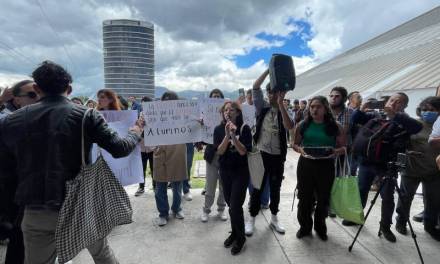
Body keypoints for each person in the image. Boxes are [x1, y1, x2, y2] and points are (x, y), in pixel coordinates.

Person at [0, 61, 143, 263]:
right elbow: (120, 148)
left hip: (35, 209)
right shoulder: (86, 116)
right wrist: (135, 132)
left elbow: (5, 171)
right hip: (79, 205)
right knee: (102, 255)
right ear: (69, 89)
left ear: (37, 88)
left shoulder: (11, 121)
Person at [351, 92, 422, 242]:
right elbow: (354, 120)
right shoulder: (376, 117)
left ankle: (385, 226)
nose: (394, 103)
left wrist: (395, 115)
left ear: (405, 106)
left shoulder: (405, 121)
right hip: (366, 162)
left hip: (387, 167)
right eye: (392, 100)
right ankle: (357, 216)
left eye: (399, 102)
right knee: (361, 191)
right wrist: (361, 108)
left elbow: (417, 128)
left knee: (387, 197)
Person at [245, 69, 295, 236]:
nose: (273, 95)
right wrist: (270, 70)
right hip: (261, 154)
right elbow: (255, 86)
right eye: (270, 92)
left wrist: (281, 104)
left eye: (276, 92)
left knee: (275, 188)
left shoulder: (284, 110)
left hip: (277, 156)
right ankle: (251, 219)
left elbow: (290, 127)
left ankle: (274, 219)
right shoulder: (262, 107)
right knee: (257, 188)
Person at [292, 96, 346, 240]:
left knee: (323, 199)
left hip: (326, 166)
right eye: (312, 107)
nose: (314, 109)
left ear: (325, 108)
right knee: (304, 198)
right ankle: (305, 227)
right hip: (306, 165)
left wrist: (335, 151)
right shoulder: (303, 125)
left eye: (318, 107)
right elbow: (294, 144)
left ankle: (320, 227)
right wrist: (300, 150)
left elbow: (344, 147)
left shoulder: (335, 126)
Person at [0, 80, 40, 264]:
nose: (38, 96)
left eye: (39, 91)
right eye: (32, 94)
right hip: (14, 192)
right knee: (19, 241)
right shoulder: (8, 119)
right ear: (17, 100)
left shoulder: (36, 117)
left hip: (32, 190)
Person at [395, 96, 440, 241]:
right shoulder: (413, 124)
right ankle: (401, 222)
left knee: (433, 200)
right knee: (405, 197)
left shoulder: (438, 126)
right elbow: (400, 144)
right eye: (424, 109)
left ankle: (430, 226)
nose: (427, 112)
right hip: (411, 169)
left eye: (432, 110)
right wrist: (404, 157)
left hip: (433, 171)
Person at [214, 101, 252, 255]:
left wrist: (234, 137)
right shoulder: (218, 129)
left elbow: (243, 152)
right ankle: (235, 232)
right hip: (225, 171)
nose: (228, 112)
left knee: (236, 206)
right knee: (231, 206)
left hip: (241, 172)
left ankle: (241, 238)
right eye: (225, 110)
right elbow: (220, 151)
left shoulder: (245, 128)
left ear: (238, 112)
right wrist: (227, 135)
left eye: (231, 109)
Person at [153, 91, 187, 226]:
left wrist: (198, 122)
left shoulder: (183, 116)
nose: (167, 104)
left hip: (177, 151)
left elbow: (192, 130)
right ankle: (163, 213)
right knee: (160, 186)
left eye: (170, 101)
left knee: (177, 185)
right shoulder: (154, 116)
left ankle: (177, 208)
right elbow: (148, 132)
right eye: (165, 101)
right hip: (160, 151)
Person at [201, 88, 228, 222]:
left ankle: (221, 209)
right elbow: (201, 138)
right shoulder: (205, 116)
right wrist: (202, 126)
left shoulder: (228, 117)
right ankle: (206, 210)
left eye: (218, 96)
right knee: (210, 184)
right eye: (213, 96)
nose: (216, 99)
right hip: (212, 155)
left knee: (223, 185)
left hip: (225, 157)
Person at [135, 96, 155, 196]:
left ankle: (155, 187)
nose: (143, 106)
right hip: (142, 147)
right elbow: (138, 130)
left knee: (154, 168)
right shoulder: (140, 115)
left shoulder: (156, 116)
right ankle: (141, 187)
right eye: (142, 104)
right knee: (141, 168)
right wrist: (139, 125)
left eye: (145, 104)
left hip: (153, 147)